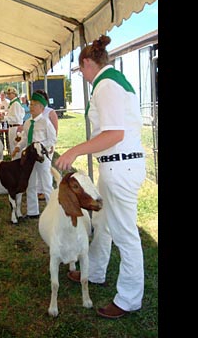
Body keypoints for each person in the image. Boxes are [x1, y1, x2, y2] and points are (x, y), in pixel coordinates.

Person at [55, 35, 146, 319]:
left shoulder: (106, 85)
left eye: (80, 70)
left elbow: (114, 134)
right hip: (117, 166)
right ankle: (94, 272)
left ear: (87, 63)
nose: (81, 75)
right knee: (103, 223)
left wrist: (74, 151)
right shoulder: (110, 81)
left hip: (120, 167)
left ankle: (129, 298)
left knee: (125, 234)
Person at [12, 90, 57, 219]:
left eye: (34, 104)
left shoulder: (45, 122)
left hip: (42, 157)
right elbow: (25, 138)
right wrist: (17, 147)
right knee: (30, 183)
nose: (31, 106)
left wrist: (42, 148)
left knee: (46, 183)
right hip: (29, 158)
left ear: (42, 108)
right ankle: (33, 211)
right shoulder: (27, 123)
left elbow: (52, 139)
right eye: (30, 104)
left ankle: (52, 211)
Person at [36, 99, 59, 200]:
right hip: (37, 148)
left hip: (47, 146)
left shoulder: (50, 112)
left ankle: (49, 194)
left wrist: (51, 145)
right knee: (38, 170)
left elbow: (55, 130)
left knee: (45, 169)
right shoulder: (34, 118)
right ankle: (39, 191)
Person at [4, 87, 25, 158]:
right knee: (14, 147)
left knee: (15, 147)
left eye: (10, 93)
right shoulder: (14, 103)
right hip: (13, 127)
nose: (8, 95)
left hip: (15, 127)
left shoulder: (15, 104)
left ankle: (16, 163)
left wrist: (4, 118)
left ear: (14, 94)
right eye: (8, 94)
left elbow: (16, 118)